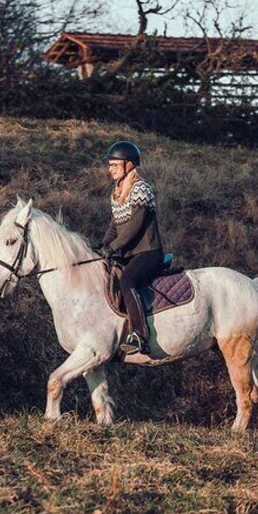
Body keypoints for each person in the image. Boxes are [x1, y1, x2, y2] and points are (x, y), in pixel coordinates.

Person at [98, 141, 164, 356]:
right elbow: (114, 226)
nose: (111, 169)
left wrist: (114, 247)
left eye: (115, 165)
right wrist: (104, 246)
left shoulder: (141, 188)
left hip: (147, 252)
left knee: (127, 280)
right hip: (129, 253)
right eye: (110, 165)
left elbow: (136, 224)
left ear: (128, 165)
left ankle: (140, 335)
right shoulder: (116, 193)